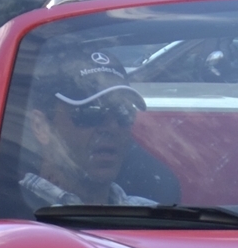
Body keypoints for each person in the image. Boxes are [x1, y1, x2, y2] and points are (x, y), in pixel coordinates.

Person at [13, 51, 158, 210]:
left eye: (123, 113)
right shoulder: (8, 215)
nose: (112, 127)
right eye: (91, 112)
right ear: (41, 127)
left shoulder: (159, 217)